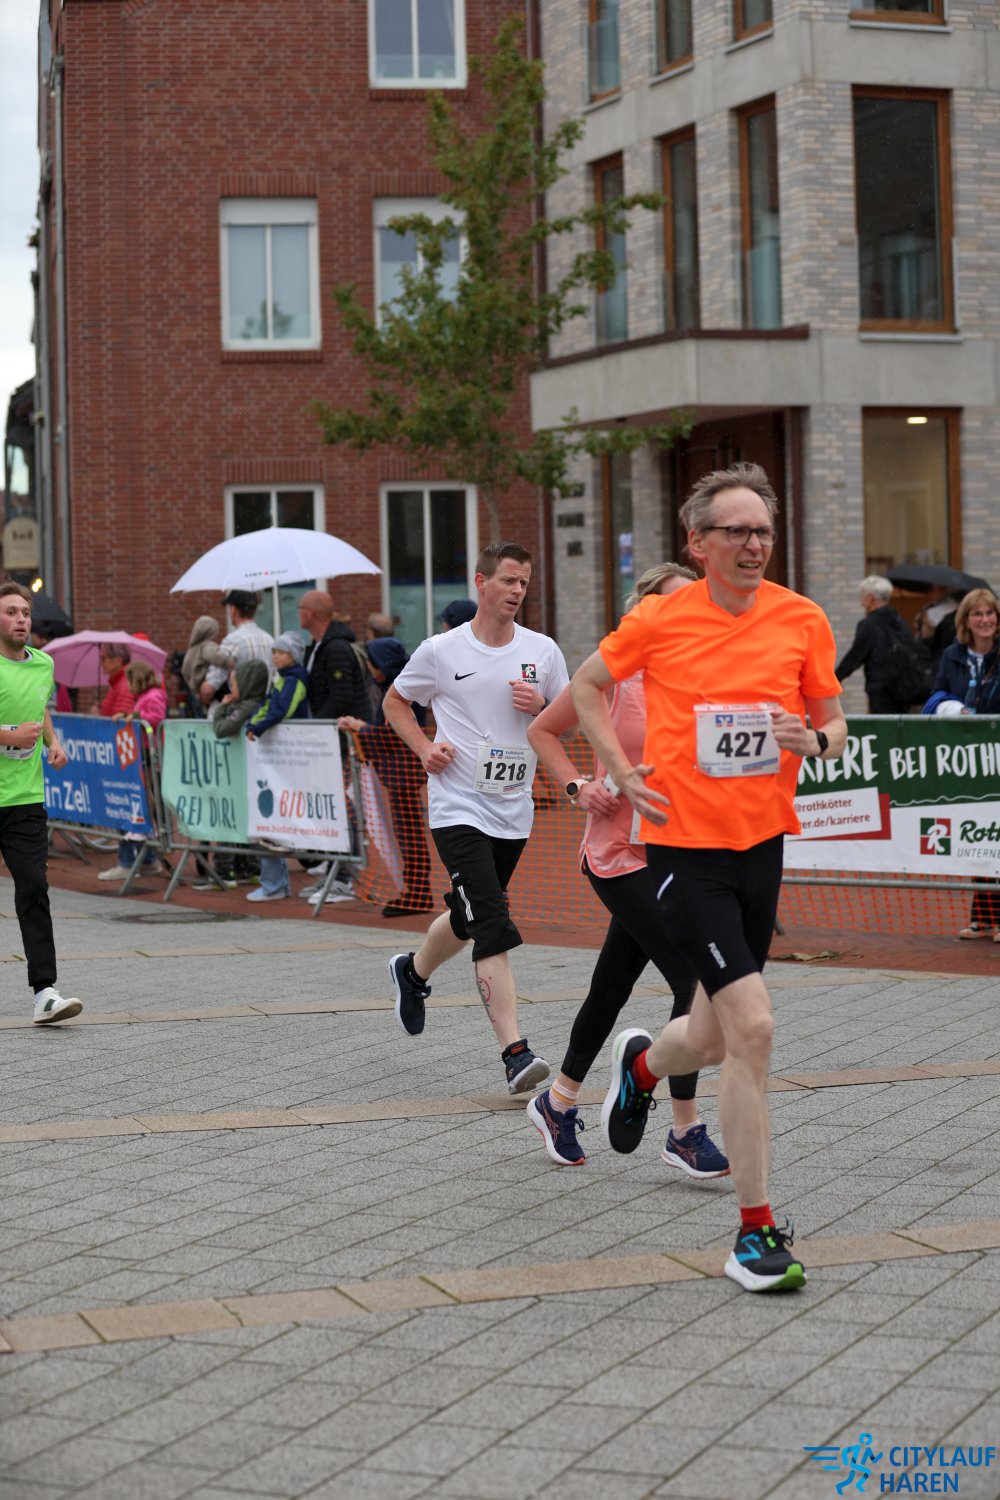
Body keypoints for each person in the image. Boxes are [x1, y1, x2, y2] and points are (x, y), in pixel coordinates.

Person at [571, 462, 846, 1293]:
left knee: (714, 1036)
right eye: (738, 531)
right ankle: (754, 1235)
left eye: (764, 531)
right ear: (698, 542)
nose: (754, 544)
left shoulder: (801, 618)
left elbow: (834, 721)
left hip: (762, 849)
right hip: (683, 853)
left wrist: (814, 742)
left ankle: (643, 1069)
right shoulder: (661, 618)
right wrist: (620, 770)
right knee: (753, 1029)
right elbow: (586, 687)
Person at [526, 562, 728, 1178]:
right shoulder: (613, 672)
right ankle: (684, 1130)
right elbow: (543, 730)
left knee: (611, 986)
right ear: (643, 608)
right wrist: (577, 786)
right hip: (617, 855)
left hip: (674, 852)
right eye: (672, 602)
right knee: (694, 980)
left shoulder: (699, 676)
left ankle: (558, 1102)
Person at [383, 540, 569, 1094]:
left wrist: (541, 708)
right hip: (457, 805)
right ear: (481, 582)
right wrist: (424, 748)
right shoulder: (441, 650)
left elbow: (570, 721)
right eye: (509, 580)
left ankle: (412, 972)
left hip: (513, 809)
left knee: (468, 914)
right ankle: (516, 1054)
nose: (517, 591)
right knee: (490, 920)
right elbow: (395, 702)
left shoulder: (543, 651)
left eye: (524, 582)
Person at [0, 583, 83, 1024]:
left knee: (34, 889)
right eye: (11, 612)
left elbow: (39, 706)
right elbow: (14, 729)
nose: (21, 619)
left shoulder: (43, 664)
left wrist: (54, 742)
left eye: (25, 612)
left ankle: (45, 993)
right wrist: (9, 736)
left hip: (25, 798)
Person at [337, 636, 433, 918]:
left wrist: (361, 728)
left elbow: (392, 736)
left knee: (410, 835)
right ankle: (415, 890)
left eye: (371, 662)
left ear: (381, 664)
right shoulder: (394, 687)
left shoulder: (401, 691)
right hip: (398, 773)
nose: (368, 667)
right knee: (406, 834)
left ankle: (418, 893)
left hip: (404, 774)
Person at [930, 589, 1000, 940]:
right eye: (978, 614)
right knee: (981, 837)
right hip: (969, 760)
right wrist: (953, 708)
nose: (985, 620)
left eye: (990, 613)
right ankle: (983, 918)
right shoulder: (953, 655)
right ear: (966, 620)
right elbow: (936, 694)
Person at [243, 631, 311, 902]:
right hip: (277, 755)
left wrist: (258, 728)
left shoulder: (295, 680)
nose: (275, 657)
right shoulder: (281, 679)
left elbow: (283, 709)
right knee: (273, 816)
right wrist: (252, 724)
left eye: (281, 652)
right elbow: (268, 705)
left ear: (293, 655)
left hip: (291, 754)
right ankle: (275, 881)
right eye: (273, 652)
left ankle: (281, 881)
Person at [97, 659, 169, 881]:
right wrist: (126, 715)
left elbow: (155, 717)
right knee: (138, 801)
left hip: (147, 754)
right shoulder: (144, 697)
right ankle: (148, 859)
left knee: (137, 801)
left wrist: (135, 718)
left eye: (130, 681)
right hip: (140, 754)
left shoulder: (154, 695)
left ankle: (131, 860)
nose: (128, 686)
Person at [834, 577, 920, 713]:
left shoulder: (868, 624)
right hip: (904, 687)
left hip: (881, 688)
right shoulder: (900, 621)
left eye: (862, 596)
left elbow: (855, 656)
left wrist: (835, 678)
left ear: (870, 598)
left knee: (882, 724)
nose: (861, 602)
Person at [298, 591, 372, 722]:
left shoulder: (336, 649)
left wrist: (317, 724)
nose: (298, 612)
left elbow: (341, 698)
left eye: (300, 608)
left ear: (311, 613)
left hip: (343, 730)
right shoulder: (318, 647)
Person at [200, 591, 273, 717]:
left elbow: (210, 688)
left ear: (233, 609)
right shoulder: (269, 640)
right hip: (261, 715)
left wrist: (201, 691)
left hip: (232, 717)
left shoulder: (232, 641)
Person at [181, 615, 234, 715]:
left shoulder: (191, 650)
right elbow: (217, 657)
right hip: (212, 687)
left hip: (198, 688)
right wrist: (231, 662)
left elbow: (184, 671)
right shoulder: (207, 646)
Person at [915, 584, 959, 667]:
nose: (930, 593)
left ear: (944, 590)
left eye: (933, 589)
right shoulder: (928, 608)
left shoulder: (952, 611)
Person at [99, 644, 134, 717]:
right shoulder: (117, 682)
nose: (101, 663)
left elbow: (119, 720)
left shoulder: (124, 685)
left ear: (118, 660)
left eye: (103, 658)